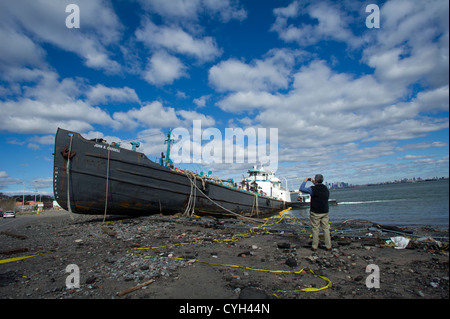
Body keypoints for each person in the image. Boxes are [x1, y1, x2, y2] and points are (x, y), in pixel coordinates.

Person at [300, 174, 331, 251]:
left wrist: (305, 181)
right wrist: (315, 183)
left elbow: (301, 189)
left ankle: (314, 246)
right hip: (325, 211)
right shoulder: (325, 188)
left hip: (315, 212)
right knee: (326, 229)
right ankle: (328, 246)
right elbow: (319, 188)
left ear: (316, 180)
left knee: (315, 229)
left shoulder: (313, 189)